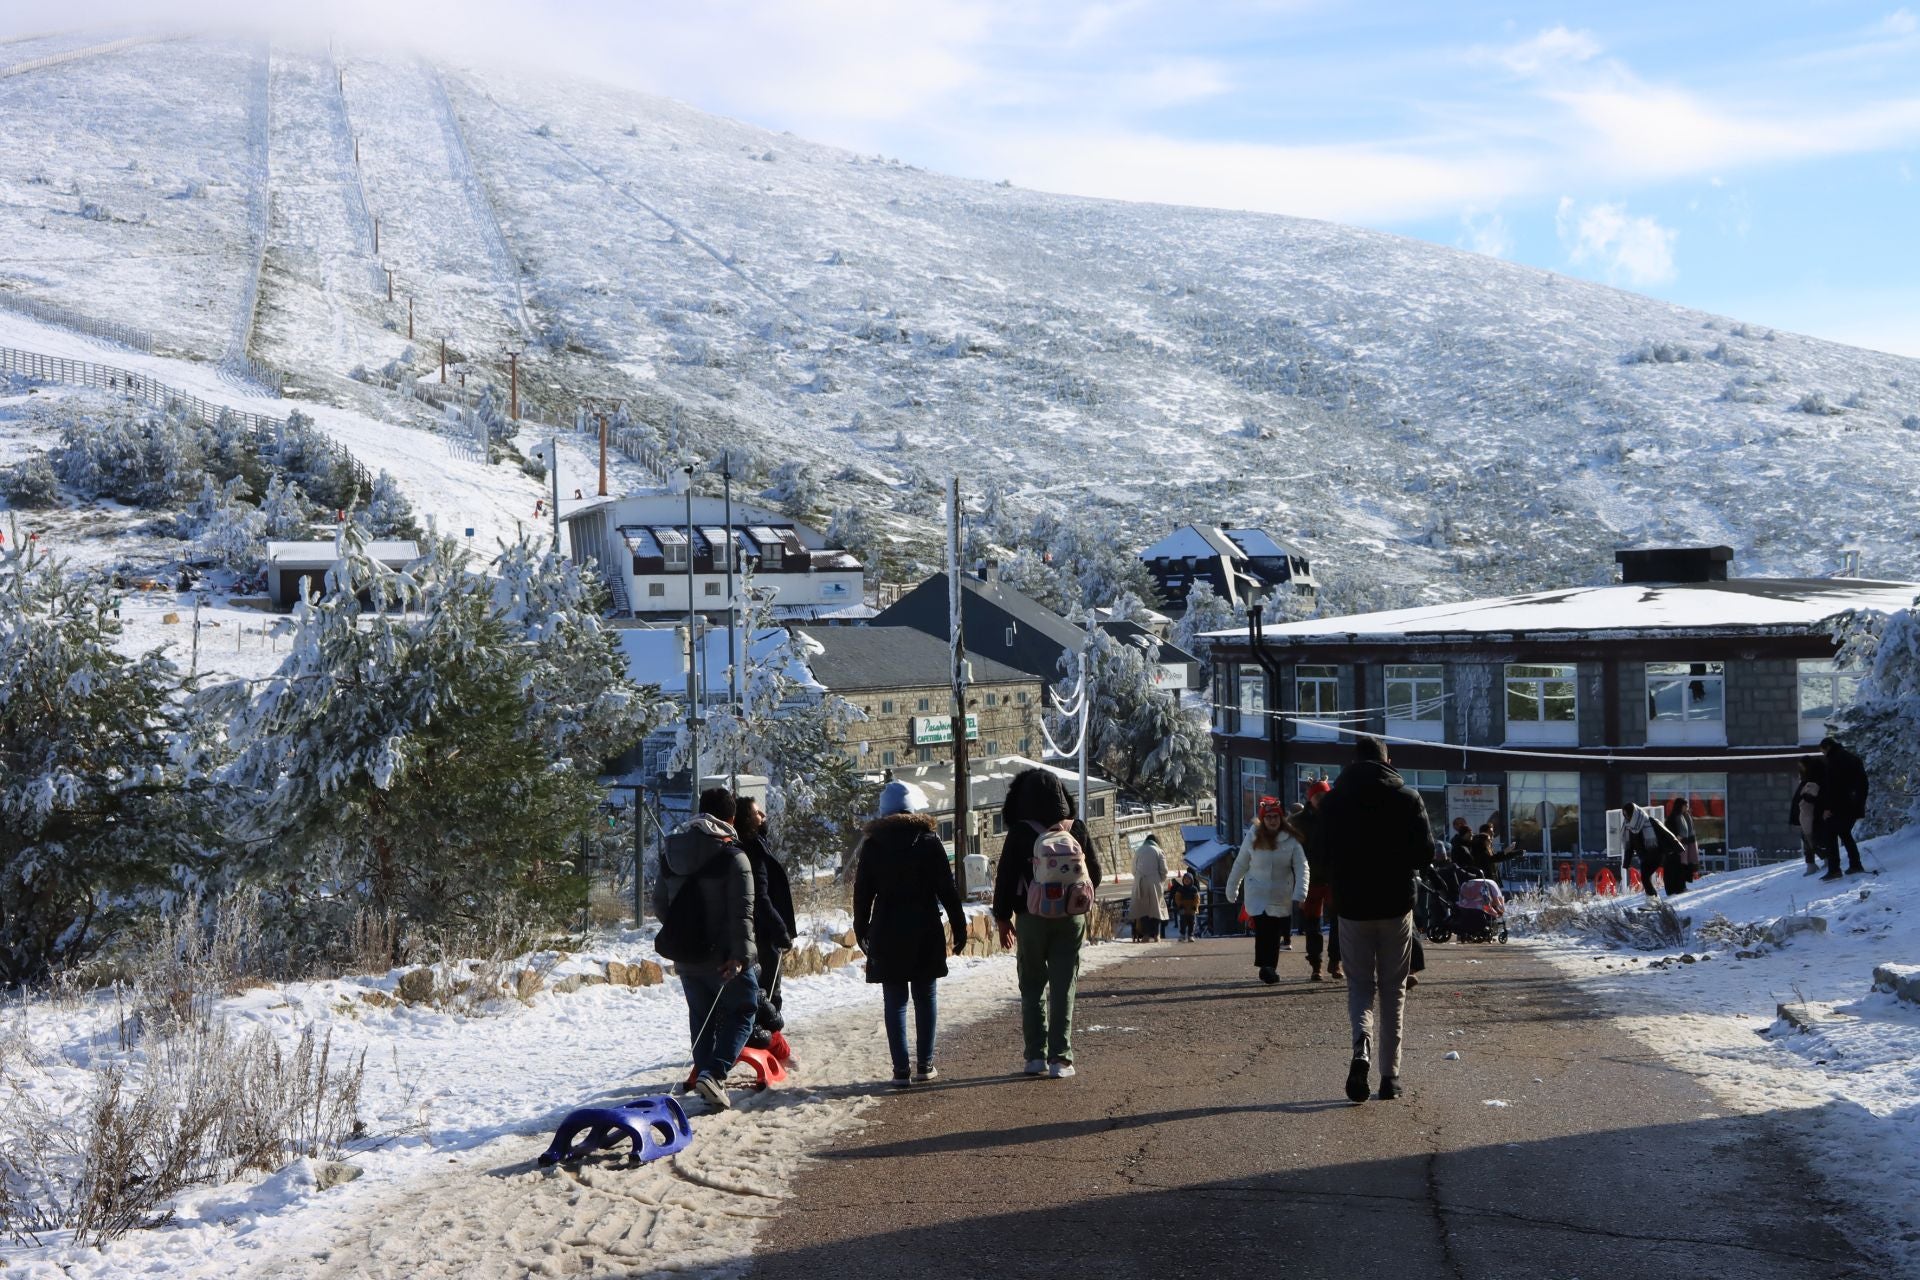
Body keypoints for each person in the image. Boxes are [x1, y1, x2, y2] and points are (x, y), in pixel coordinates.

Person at [1317, 736, 1432, 1104]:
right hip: (1396, 905)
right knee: (1393, 989)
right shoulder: (1408, 798)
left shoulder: (1333, 802)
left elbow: (1318, 858)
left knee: (1361, 987)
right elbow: (1425, 853)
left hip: (1351, 907)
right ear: (1388, 761)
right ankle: (1390, 1077)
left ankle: (1360, 1050)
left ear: (1353, 762)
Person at [853, 781, 968, 1088]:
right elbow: (947, 887)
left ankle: (900, 1070)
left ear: (884, 810)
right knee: (925, 997)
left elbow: (862, 893)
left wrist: (861, 929)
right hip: (924, 928)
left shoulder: (873, 845)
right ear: (911, 808)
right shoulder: (928, 841)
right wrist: (959, 924)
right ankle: (925, 1065)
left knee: (895, 1001)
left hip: (887, 930)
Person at [992, 768, 1101, 1079]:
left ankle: (1035, 1057)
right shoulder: (1074, 827)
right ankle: (1061, 1059)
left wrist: (1002, 918)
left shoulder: (1020, 833)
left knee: (1032, 985)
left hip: (1030, 918)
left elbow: (1005, 879)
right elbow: (1096, 873)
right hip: (1070, 918)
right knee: (1064, 986)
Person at [659, 788, 759, 1111]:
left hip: (687, 954)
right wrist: (742, 955)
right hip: (723, 956)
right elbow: (742, 913)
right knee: (745, 1007)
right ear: (731, 819)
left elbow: (660, 903)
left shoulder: (673, 852)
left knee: (701, 1018)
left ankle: (706, 1081)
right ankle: (714, 1075)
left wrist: (686, 932)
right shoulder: (734, 857)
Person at [1227, 796, 1310, 985]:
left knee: (1274, 931)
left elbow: (1301, 866)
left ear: (1281, 819)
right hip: (1257, 891)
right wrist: (1232, 888)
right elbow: (1241, 863)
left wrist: (1300, 893)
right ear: (1263, 819)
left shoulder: (1291, 840)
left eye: (1276, 817)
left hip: (1281, 893)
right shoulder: (1253, 836)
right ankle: (1267, 967)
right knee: (1264, 929)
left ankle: (1268, 966)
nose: (1272, 820)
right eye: (1269, 817)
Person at [735, 795, 796, 1049]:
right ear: (749, 819)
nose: (764, 816)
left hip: (756, 930)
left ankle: (765, 1043)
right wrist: (780, 930)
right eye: (758, 813)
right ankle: (771, 1048)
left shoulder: (750, 845)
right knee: (769, 995)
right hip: (764, 933)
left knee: (760, 994)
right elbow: (761, 897)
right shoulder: (754, 849)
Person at [1295, 781, 1341, 980]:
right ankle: (1316, 964)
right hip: (1310, 879)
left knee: (1338, 922)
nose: (1322, 800)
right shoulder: (1298, 821)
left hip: (1334, 878)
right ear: (1310, 798)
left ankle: (1335, 961)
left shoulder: (1339, 817)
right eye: (1318, 797)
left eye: (1325, 796)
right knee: (1312, 923)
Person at [1820, 737, 1870, 877]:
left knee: (1831, 835)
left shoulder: (1834, 761)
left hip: (1839, 805)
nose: (1823, 754)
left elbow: (1833, 786)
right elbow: (1863, 783)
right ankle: (1855, 864)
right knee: (1845, 834)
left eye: (1823, 751)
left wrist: (1828, 807)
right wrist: (1859, 802)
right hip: (1852, 804)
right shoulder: (1852, 758)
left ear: (1827, 747)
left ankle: (1834, 869)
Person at [1789, 758, 1827, 876]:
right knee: (1808, 840)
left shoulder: (1813, 781)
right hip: (1805, 816)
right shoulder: (1806, 781)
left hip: (1812, 816)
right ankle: (1811, 863)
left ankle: (1824, 860)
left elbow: (1814, 798)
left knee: (1813, 840)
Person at [1130, 835, 1171, 942]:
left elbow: (1133, 869)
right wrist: (1159, 880)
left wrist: (1139, 876)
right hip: (1154, 881)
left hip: (1141, 881)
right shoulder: (1159, 851)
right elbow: (1164, 870)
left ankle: (1146, 935)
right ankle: (1156, 934)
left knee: (1143, 909)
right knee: (1156, 908)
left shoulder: (1138, 850)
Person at [1667, 796, 1700, 882]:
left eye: (1687, 806)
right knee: (1682, 863)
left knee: (1689, 862)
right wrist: (1676, 835)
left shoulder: (1687, 816)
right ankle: (1683, 881)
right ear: (1680, 806)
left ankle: (1689, 879)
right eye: (1685, 806)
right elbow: (1669, 829)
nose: (1687, 807)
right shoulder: (1674, 817)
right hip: (1680, 845)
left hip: (1689, 843)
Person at [1172, 871, 1202, 941]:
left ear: (1191, 880)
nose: (1187, 880)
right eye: (1185, 879)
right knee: (1183, 922)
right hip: (1183, 909)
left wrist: (1195, 906)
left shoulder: (1194, 889)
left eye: (1188, 879)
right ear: (1183, 880)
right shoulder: (1180, 889)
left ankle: (1190, 935)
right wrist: (1180, 905)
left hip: (1192, 909)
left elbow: (1197, 899)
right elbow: (1177, 898)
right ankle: (1182, 935)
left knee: (1192, 923)